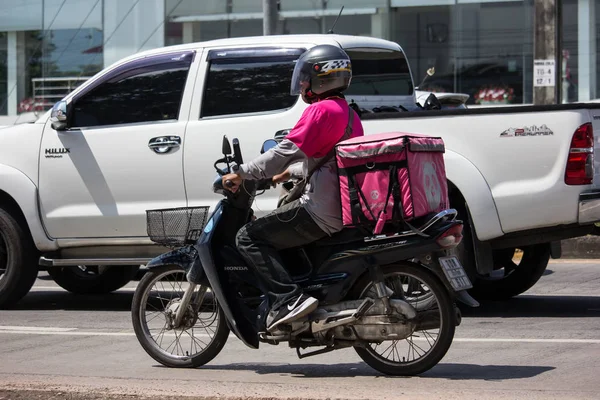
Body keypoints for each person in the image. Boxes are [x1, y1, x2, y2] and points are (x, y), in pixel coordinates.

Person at [221, 44, 364, 332]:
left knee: (248, 237)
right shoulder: (348, 113)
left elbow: (281, 153)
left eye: (305, 77)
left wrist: (241, 173)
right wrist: (286, 174)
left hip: (320, 211)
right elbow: (330, 160)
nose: (301, 84)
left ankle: (288, 300)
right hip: (341, 206)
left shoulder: (320, 112)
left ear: (322, 77)